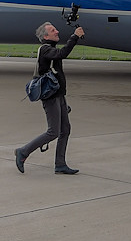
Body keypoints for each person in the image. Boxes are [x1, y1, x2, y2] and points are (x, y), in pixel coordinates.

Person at [15, 21, 85, 175]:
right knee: (53, 132)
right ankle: (23, 152)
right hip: (51, 98)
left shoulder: (51, 49)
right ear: (46, 36)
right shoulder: (46, 50)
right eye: (53, 30)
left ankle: (60, 164)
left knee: (65, 130)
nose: (57, 31)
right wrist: (75, 37)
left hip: (59, 96)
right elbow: (62, 54)